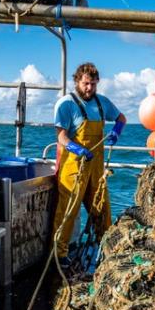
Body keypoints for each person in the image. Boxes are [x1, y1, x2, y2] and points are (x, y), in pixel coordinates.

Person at [52, 62, 126, 266]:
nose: (89, 89)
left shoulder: (102, 103)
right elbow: (61, 136)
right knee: (68, 211)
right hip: (74, 167)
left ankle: (107, 249)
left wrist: (116, 131)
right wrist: (76, 148)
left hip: (96, 168)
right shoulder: (66, 104)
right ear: (77, 81)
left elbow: (121, 118)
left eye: (93, 84)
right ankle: (60, 254)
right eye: (86, 84)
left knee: (102, 209)